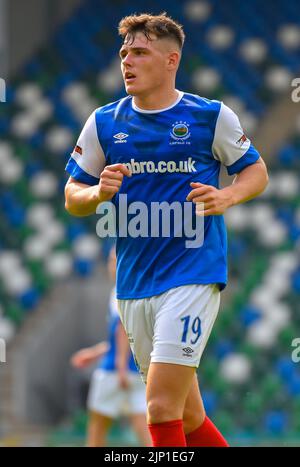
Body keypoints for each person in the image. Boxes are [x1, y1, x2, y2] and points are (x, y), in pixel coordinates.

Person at [65, 13, 269, 447]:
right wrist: (97, 193)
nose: (127, 62)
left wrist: (228, 197)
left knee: (158, 408)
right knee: (189, 416)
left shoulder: (210, 117)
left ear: (171, 60)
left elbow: (256, 173)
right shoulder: (103, 123)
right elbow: (71, 196)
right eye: (124, 53)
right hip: (134, 285)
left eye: (139, 52)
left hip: (193, 273)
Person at [71, 247, 151, 447]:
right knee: (142, 425)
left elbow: (122, 328)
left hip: (115, 371)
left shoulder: (120, 289)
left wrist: (120, 365)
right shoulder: (141, 287)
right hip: (140, 370)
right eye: (110, 260)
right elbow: (132, 336)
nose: (111, 265)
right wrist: (95, 353)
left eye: (114, 260)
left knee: (97, 425)